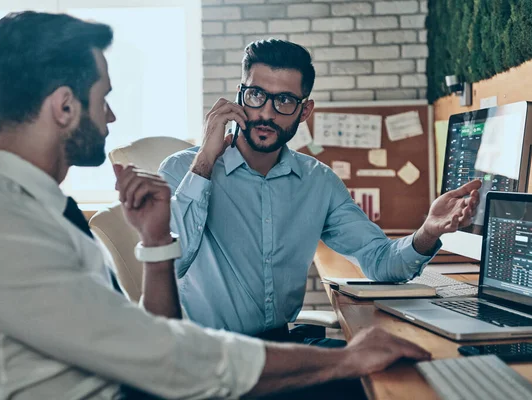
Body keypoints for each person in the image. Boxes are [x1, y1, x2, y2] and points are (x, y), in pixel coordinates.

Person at [0, 12, 432, 400]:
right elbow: (159, 356)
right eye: (104, 99)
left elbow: (150, 336)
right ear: (66, 107)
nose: (111, 115)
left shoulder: (39, 215)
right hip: (186, 369)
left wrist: (156, 242)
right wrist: (345, 359)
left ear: (303, 110)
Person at [158, 39, 481, 344]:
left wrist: (427, 231)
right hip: (206, 353)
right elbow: (170, 266)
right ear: (240, 96)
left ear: (305, 110)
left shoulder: (317, 181)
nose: (267, 113)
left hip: (280, 347)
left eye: (284, 100)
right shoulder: (182, 171)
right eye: (256, 94)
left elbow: (380, 262)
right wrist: (204, 163)